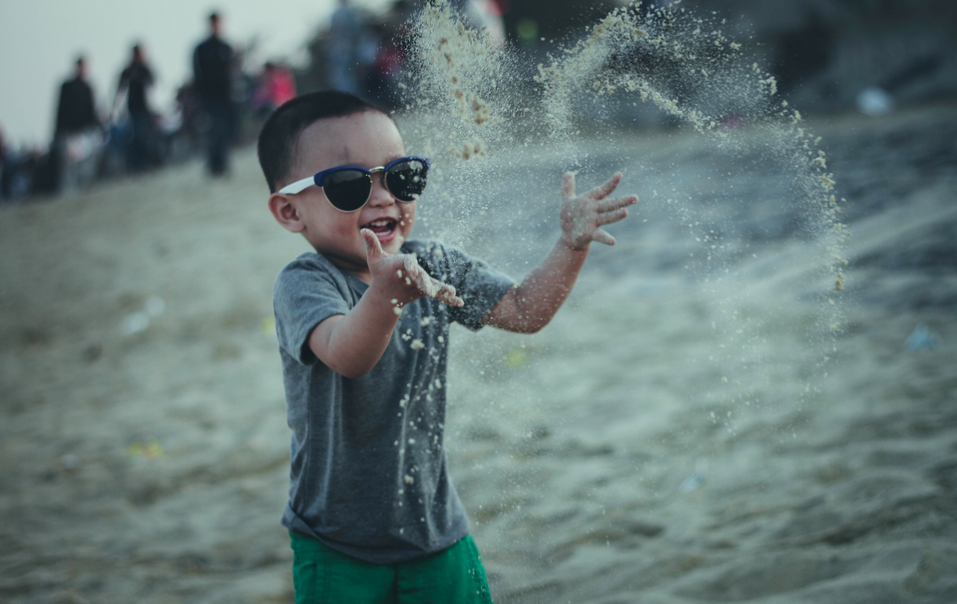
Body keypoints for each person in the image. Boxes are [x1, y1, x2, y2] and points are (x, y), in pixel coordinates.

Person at [257, 90, 636, 603]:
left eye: (401, 176)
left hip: (436, 532)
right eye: (349, 185)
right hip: (337, 544)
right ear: (289, 211)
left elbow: (525, 310)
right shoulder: (306, 283)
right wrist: (386, 295)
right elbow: (348, 355)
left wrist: (569, 246)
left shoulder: (431, 263)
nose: (384, 197)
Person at [52, 56, 103, 192]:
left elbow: (92, 112)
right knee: (69, 168)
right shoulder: (67, 87)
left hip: (85, 133)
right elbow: (60, 111)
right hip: (70, 134)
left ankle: (83, 189)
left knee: (85, 167)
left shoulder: (88, 87)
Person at [193, 11, 234, 176]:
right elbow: (197, 74)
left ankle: (223, 164)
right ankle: (214, 166)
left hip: (226, 97)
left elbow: (232, 72)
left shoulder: (226, 47)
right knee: (214, 131)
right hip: (209, 98)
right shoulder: (201, 49)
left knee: (225, 132)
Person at [113, 43, 157, 171]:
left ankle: (146, 164)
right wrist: (115, 108)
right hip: (133, 110)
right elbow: (120, 90)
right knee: (137, 137)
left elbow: (154, 89)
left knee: (146, 137)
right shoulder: (128, 71)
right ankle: (137, 165)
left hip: (147, 110)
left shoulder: (146, 69)